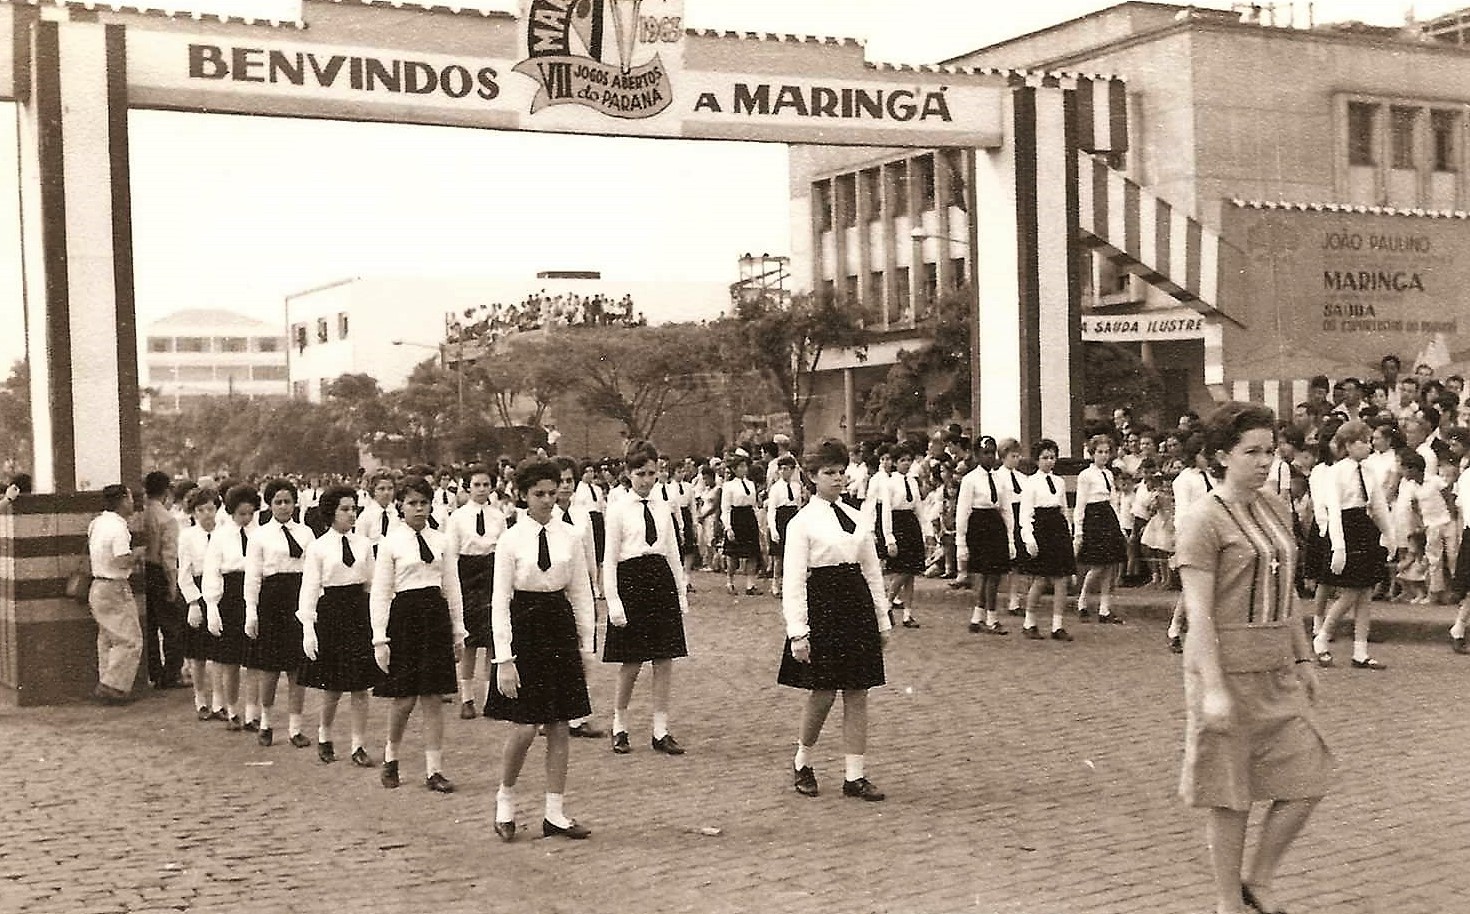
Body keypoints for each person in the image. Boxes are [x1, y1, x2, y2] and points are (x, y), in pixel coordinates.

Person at [1175, 401, 1332, 914]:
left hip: (1276, 667)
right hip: (1225, 668)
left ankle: (1258, 878)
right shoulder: (1201, 519)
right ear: (1221, 455)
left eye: (1270, 450)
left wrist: (1304, 659)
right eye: (1251, 452)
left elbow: (1286, 597)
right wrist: (1213, 688)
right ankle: (1228, 903)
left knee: (1309, 778)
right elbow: (1198, 616)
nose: (1265, 461)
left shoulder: (1276, 507)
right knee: (1230, 794)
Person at [486, 459, 597, 841]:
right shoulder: (510, 540)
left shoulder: (570, 536)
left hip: (559, 626)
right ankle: (505, 800)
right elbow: (500, 600)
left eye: (552, 493)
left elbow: (581, 591)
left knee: (560, 724)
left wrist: (586, 645)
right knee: (525, 726)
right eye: (539, 494)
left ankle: (555, 812)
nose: (548, 500)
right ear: (523, 496)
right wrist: (504, 659)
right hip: (525, 627)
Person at [779, 439, 891, 802]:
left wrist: (882, 618)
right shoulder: (802, 523)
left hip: (855, 604)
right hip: (823, 606)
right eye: (829, 473)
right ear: (812, 477)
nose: (838, 479)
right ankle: (803, 762)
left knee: (858, 691)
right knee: (823, 692)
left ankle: (854, 775)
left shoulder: (857, 517)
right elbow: (793, 581)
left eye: (842, 472)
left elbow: (871, 571)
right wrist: (798, 632)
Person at [370, 476, 467, 792]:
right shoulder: (391, 543)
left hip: (434, 617)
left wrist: (458, 631)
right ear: (400, 505)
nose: (419, 509)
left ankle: (434, 770)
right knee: (404, 699)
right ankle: (391, 758)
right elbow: (382, 592)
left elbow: (452, 587)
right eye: (412, 503)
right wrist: (380, 638)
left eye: (424, 503)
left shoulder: (441, 541)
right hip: (405, 619)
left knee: (433, 698)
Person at [600, 441, 691, 756]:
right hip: (631, 583)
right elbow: (609, 560)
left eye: (652, 473)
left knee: (664, 659)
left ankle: (660, 730)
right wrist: (613, 601)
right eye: (640, 473)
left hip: (659, 581)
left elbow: (673, 554)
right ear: (628, 473)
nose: (646, 480)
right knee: (631, 661)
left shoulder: (663, 506)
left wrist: (680, 593)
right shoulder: (617, 510)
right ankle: (620, 725)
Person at [297, 485, 381, 767]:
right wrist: (308, 627)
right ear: (330, 512)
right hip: (331, 613)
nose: (350, 514)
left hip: (358, 613)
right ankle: (325, 736)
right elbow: (309, 589)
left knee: (360, 686)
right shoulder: (318, 548)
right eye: (344, 509)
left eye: (353, 508)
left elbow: (372, 583)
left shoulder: (364, 545)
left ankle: (358, 745)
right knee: (332, 685)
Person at [1311, 420, 1395, 670]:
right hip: (1345, 527)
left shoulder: (1369, 472)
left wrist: (1390, 535)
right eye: (1362, 441)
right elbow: (1334, 510)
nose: (1368, 446)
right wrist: (1338, 546)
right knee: (1351, 591)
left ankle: (1360, 650)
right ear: (1348, 445)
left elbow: (1378, 506)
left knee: (1366, 592)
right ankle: (1322, 638)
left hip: (1363, 526)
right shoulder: (1335, 473)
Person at [243, 479, 317, 748]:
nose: (284, 507)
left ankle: (295, 728)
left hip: (298, 596)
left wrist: (311, 608)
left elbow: (313, 571)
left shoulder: (307, 533)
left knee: (297, 668)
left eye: (288, 501)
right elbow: (252, 576)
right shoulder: (259, 536)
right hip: (272, 600)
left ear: (295, 503)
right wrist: (251, 611)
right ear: (270, 504)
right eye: (278, 502)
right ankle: (265, 723)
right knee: (270, 668)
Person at [445, 464, 506, 720]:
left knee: (493, 639)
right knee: (469, 642)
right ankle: (467, 698)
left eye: (486, 484)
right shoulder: (457, 517)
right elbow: (451, 553)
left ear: (492, 487)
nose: (481, 489)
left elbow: (504, 549)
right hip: (467, 575)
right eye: (476, 485)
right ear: (467, 487)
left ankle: (494, 697)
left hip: (492, 573)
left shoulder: (498, 516)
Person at [204, 485, 261, 729]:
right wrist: (212, 606)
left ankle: (251, 713)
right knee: (230, 660)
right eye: (241, 514)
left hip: (255, 594)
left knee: (255, 660)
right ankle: (232, 710)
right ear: (231, 512)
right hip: (230, 595)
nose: (246, 519)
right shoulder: (220, 536)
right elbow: (212, 571)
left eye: (250, 513)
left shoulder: (259, 534)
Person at [87, 484, 144, 704]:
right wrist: (137, 556)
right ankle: (112, 686)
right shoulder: (119, 529)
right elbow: (121, 560)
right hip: (115, 586)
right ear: (122, 501)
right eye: (130, 497)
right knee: (130, 640)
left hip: (97, 586)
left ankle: (108, 681)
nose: (132, 502)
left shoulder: (97, 523)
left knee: (107, 638)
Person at [1018, 439, 1076, 642]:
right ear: (1036, 460)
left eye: (1052, 457)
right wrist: (1029, 538)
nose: (1049, 462)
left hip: (1058, 529)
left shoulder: (1059, 482)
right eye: (1045, 458)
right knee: (1041, 579)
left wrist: (1068, 531)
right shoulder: (1030, 483)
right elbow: (1025, 514)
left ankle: (1057, 625)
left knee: (1061, 579)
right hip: (1041, 529)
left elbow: (1063, 508)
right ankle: (1029, 622)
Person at [955, 435, 1013, 635]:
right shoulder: (970, 480)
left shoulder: (1000, 478)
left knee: (994, 573)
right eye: (985, 453)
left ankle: (978, 617)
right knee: (986, 573)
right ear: (977, 455)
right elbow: (963, 512)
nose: (990, 457)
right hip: (979, 525)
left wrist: (1011, 536)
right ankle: (991, 617)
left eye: (992, 453)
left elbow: (1006, 508)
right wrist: (961, 543)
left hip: (995, 524)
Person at [177, 486, 222, 720]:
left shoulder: (223, 533)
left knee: (219, 652)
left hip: (219, 591)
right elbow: (183, 573)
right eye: (201, 510)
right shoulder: (187, 537)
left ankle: (219, 702)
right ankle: (200, 699)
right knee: (197, 654)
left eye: (210, 509)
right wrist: (193, 604)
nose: (206, 514)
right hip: (197, 591)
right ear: (193, 513)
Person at [1073, 434, 1127, 624]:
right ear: (1092, 453)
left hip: (1108, 516)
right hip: (1093, 517)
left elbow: (1113, 501)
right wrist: (1078, 530)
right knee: (1098, 565)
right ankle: (1082, 600)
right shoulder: (1085, 475)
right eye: (1100, 452)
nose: (1104, 456)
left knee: (1110, 564)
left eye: (1106, 452)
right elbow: (1080, 504)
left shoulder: (1109, 474)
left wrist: (1119, 526)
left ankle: (1105, 608)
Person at [141, 470, 185, 690]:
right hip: (159, 572)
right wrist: (172, 583)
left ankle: (154, 671)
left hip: (142, 572)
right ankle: (172, 674)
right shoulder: (167, 519)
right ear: (167, 490)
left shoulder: (141, 513)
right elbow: (168, 557)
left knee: (148, 626)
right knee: (172, 625)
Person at [880, 444, 927, 628]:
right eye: (902, 460)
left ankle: (907, 614)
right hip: (897, 524)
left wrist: (926, 531)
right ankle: (886, 604)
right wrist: (889, 538)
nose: (906, 464)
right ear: (895, 463)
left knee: (912, 573)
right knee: (902, 571)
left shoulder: (913, 482)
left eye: (909, 460)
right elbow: (886, 512)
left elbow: (919, 508)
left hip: (911, 525)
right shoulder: (889, 483)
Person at [720, 453, 763, 595]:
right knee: (733, 555)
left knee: (752, 553)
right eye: (741, 466)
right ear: (734, 469)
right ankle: (730, 582)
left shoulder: (750, 484)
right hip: (736, 517)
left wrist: (758, 523)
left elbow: (754, 505)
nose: (745, 469)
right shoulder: (729, 486)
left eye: (745, 466)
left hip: (748, 518)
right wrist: (728, 527)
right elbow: (725, 508)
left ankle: (750, 585)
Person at [766, 455, 804, 598]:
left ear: (793, 470)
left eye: (787, 469)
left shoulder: (796, 487)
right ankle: (775, 584)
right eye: (781, 469)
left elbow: (799, 506)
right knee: (778, 556)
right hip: (780, 519)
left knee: (793, 555)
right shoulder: (776, 488)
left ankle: (790, 585)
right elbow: (772, 511)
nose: (784, 472)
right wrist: (774, 530)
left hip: (792, 517)